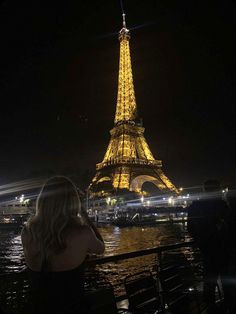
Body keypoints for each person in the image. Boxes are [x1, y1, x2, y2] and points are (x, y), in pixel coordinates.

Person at [21, 176, 105, 314]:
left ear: (42, 201)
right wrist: (85, 217)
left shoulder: (27, 232)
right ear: (73, 201)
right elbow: (101, 248)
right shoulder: (82, 233)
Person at [187, 179, 230, 313]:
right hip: (223, 247)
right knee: (225, 279)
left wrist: (200, 240)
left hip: (206, 247)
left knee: (209, 279)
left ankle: (210, 307)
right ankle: (227, 304)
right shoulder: (222, 205)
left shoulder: (196, 205)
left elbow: (190, 228)